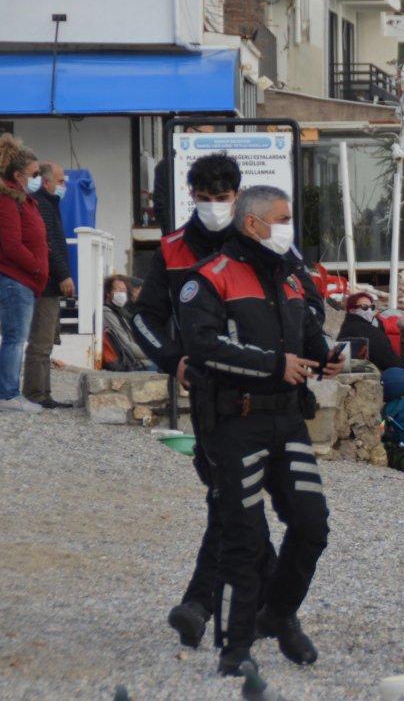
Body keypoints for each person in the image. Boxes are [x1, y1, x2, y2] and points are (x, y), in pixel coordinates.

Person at [178, 185, 341, 676]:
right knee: (242, 540)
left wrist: (327, 358)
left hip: (287, 421)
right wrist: (276, 364)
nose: (289, 227)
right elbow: (204, 347)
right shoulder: (209, 278)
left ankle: (280, 613)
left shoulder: (291, 275)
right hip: (234, 424)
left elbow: (310, 338)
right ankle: (235, 649)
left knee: (312, 524)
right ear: (252, 223)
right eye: (283, 218)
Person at [131, 154, 279, 652]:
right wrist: (172, 360)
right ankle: (264, 600)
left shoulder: (260, 240)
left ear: (237, 196)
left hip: (262, 390)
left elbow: (296, 304)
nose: (214, 206)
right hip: (209, 394)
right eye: (205, 197)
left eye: (223, 198)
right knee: (230, 499)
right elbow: (144, 318)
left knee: (234, 503)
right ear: (191, 194)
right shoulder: (172, 249)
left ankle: (204, 604)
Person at [0, 134, 48, 413]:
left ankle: (11, 394)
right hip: (12, 278)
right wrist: (36, 266)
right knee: (14, 337)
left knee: (15, 336)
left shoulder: (20, 199)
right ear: (19, 175)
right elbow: (11, 245)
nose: (38, 179)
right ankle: (8, 396)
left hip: (19, 279)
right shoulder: (7, 202)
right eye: (34, 174)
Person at [23, 161, 75, 408]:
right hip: (45, 283)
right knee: (41, 343)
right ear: (47, 181)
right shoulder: (41, 204)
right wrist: (64, 274)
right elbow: (48, 244)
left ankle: (44, 393)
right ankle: (36, 394)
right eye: (61, 180)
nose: (64, 185)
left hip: (50, 283)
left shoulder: (49, 204)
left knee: (46, 342)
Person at [335, 290, 404, 373]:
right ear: (352, 310)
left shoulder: (346, 327)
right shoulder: (371, 332)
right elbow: (389, 360)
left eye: (372, 307)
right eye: (364, 307)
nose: (369, 311)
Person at [102, 275, 153, 371]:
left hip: (136, 361)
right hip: (129, 364)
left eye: (124, 291)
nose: (122, 294)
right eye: (118, 290)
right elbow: (127, 345)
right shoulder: (107, 313)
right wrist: (152, 353)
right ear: (108, 293)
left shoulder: (119, 313)